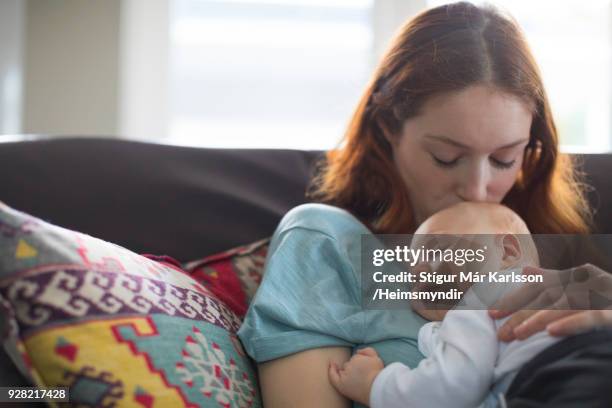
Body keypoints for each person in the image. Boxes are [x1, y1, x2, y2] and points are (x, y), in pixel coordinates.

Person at [237, 2, 612, 407]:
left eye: (504, 159)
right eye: (446, 158)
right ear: (388, 129)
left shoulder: (562, 265)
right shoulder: (330, 244)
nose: (477, 188)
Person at [328, 201, 562, 408]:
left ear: (507, 252)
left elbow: (452, 387)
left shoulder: (485, 300)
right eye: (414, 276)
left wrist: (374, 385)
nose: (420, 272)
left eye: (435, 251)